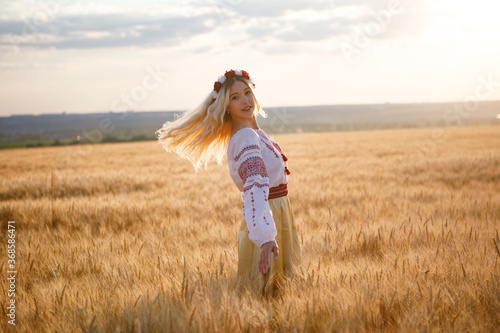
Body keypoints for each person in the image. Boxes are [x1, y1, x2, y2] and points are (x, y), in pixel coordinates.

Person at [156, 69, 301, 297]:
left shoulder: (255, 133)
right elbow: (254, 186)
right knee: (264, 294)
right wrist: (265, 238)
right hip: (267, 219)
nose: (244, 100)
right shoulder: (246, 137)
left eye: (247, 92)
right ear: (226, 106)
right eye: (235, 97)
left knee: (279, 293)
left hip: (278, 214)